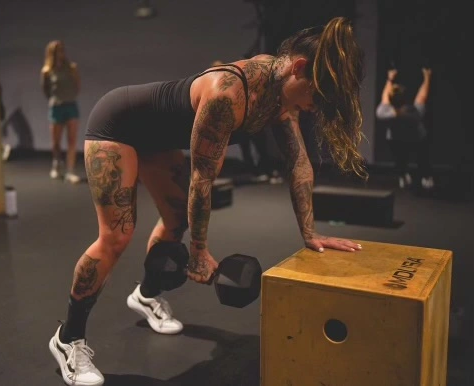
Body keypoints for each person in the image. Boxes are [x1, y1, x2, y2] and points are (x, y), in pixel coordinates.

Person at [49, 17, 365, 386]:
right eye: (316, 95)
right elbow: (203, 177)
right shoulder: (227, 93)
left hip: (157, 138)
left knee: (175, 221)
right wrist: (198, 251)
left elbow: (298, 163)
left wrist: (310, 234)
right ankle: (68, 338)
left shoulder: (280, 95)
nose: (314, 106)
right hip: (118, 124)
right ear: (298, 68)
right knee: (117, 236)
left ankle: (146, 296)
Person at [376, 67, 434, 190]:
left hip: (399, 139)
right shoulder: (413, 113)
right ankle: (424, 177)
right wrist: (427, 77)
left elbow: (385, 97)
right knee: (420, 157)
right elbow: (422, 97)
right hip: (415, 138)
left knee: (403, 158)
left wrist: (390, 79)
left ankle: (407, 174)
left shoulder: (385, 112)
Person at [41, 40, 82, 183]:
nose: (61, 53)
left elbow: (77, 85)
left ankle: (70, 170)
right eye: (58, 50)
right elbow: (45, 90)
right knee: (56, 142)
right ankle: (57, 163)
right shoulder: (47, 71)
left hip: (70, 105)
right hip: (56, 107)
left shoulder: (72, 67)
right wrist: (56, 99)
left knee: (72, 140)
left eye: (62, 50)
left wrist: (69, 96)